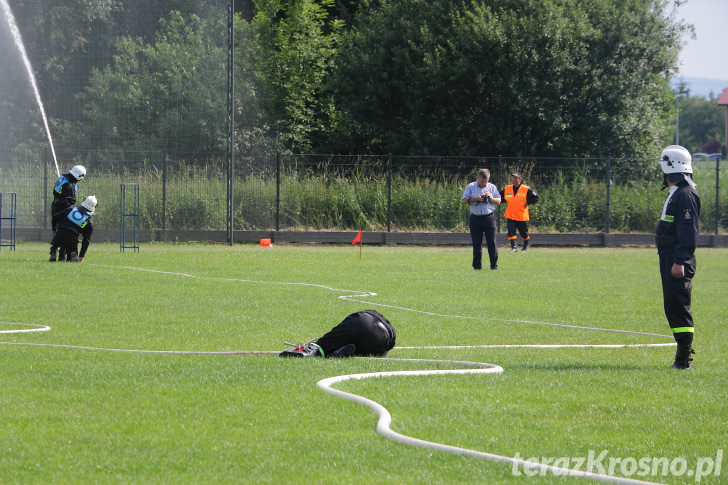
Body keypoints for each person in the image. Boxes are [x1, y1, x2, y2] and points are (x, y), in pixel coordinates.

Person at [655, 145, 700, 370]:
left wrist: (680, 261)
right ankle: (681, 359)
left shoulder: (686, 194)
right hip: (670, 257)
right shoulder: (678, 192)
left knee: (679, 305)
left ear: (668, 168)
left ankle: (683, 362)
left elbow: (688, 231)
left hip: (676, 259)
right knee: (672, 305)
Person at [279, 310, 396, 358]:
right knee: (363, 351)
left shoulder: (358, 318)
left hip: (362, 321)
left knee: (324, 345)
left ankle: (310, 350)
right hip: (384, 341)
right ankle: (339, 353)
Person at [461, 168, 501, 270]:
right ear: (478, 178)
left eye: (486, 181)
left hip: (489, 218)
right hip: (475, 218)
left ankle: (494, 266)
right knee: (476, 244)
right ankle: (477, 267)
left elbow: (498, 201)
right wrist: (476, 198)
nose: (484, 183)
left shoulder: (492, 187)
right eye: (482, 181)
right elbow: (464, 201)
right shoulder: (471, 186)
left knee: (492, 243)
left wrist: (490, 198)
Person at [50, 165, 86, 261]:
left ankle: (54, 252)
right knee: (66, 232)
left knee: (58, 232)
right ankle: (62, 255)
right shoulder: (69, 186)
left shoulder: (63, 178)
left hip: (55, 206)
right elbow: (68, 201)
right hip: (63, 209)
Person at [50, 195, 97, 263]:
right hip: (72, 240)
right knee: (73, 260)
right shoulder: (88, 222)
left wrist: (54, 229)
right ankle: (72, 257)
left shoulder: (71, 209)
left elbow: (55, 217)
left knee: (55, 245)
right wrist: (81, 256)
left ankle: (53, 253)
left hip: (59, 235)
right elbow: (86, 241)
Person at [501, 172, 539, 252]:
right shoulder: (507, 188)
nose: (514, 179)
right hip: (510, 214)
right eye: (513, 177)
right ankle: (513, 247)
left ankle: (525, 246)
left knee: (524, 233)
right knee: (511, 232)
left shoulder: (526, 189)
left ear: (520, 179)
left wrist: (528, 202)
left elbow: (536, 197)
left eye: (516, 178)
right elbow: (500, 197)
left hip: (521, 215)